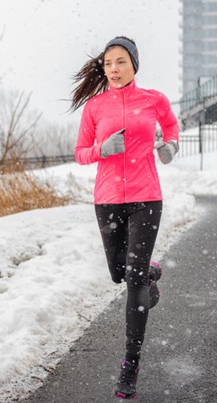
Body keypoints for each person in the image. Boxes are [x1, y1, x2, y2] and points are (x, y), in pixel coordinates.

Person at [71, 36, 179, 399]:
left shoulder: (154, 100)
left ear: (133, 63)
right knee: (120, 273)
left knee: (131, 280)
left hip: (146, 196)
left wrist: (170, 147)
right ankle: (150, 272)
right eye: (108, 64)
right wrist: (103, 149)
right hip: (108, 200)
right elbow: (81, 152)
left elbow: (173, 128)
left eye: (120, 62)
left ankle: (130, 363)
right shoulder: (95, 107)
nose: (113, 70)